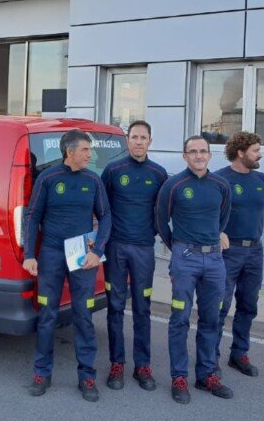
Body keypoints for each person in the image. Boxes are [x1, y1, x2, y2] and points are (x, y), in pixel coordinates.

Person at [23, 129, 111, 402]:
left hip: (82, 257)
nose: (90, 154)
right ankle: (42, 373)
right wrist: (29, 254)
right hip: (51, 254)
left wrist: (97, 251)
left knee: (83, 315)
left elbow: (106, 217)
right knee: (47, 314)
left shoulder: (93, 180)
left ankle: (87, 376)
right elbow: (33, 216)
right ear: (69, 151)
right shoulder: (48, 178)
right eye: (85, 149)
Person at [155, 135, 234, 404]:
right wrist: (178, 248)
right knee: (180, 318)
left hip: (214, 260)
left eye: (203, 151)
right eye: (193, 152)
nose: (199, 156)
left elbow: (223, 218)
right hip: (185, 259)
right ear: (184, 156)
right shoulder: (173, 184)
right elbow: (161, 221)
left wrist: (211, 240)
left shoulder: (221, 185)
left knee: (212, 319)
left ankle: (206, 374)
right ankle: (179, 377)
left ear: (210, 155)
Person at [100, 120, 167, 391]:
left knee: (142, 308)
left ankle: (143, 365)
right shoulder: (113, 170)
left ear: (150, 141)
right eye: (134, 137)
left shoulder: (159, 173)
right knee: (115, 307)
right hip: (115, 248)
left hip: (143, 250)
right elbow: (101, 209)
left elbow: (164, 212)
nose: (139, 141)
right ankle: (117, 363)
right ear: (127, 141)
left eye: (143, 137)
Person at [215, 132, 264, 377]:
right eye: (255, 150)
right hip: (227, 251)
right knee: (220, 306)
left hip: (255, 251)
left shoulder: (262, 179)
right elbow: (206, 212)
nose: (260, 154)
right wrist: (216, 232)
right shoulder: (219, 179)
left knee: (248, 305)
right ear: (241, 152)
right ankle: (211, 356)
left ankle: (239, 354)